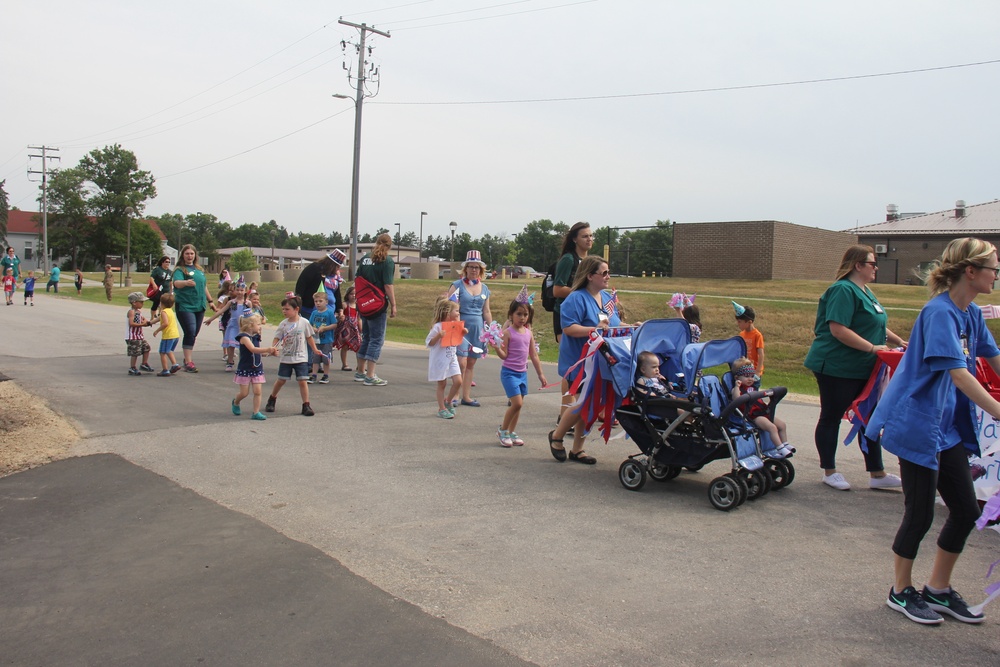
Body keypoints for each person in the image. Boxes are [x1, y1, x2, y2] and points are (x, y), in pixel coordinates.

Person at [866, 237, 1000, 626]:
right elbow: (958, 373)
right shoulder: (938, 313)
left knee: (964, 509)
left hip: (948, 430)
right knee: (920, 513)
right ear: (970, 272)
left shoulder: (971, 314)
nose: (997, 274)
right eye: (993, 267)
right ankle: (901, 591)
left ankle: (938, 589)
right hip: (918, 427)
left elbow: (992, 360)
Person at [804, 245, 907, 491]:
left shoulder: (866, 291)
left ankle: (877, 473)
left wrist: (899, 341)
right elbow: (838, 329)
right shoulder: (842, 290)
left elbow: (876, 322)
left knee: (870, 418)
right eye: (872, 264)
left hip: (865, 368)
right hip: (837, 366)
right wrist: (873, 348)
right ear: (858, 265)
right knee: (832, 416)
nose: (876, 268)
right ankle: (829, 471)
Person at [548, 256, 626, 465]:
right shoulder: (576, 299)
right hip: (579, 360)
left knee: (591, 403)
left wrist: (631, 325)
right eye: (604, 273)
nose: (608, 277)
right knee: (584, 402)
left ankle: (577, 449)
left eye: (609, 272)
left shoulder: (608, 299)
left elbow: (614, 323)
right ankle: (557, 436)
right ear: (590, 276)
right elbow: (568, 328)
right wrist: (594, 330)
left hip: (600, 360)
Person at [489, 291, 547, 446]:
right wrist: (496, 348)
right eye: (519, 314)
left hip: (523, 373)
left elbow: (533, 355)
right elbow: (504, 355)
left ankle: (511, 432)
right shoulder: (508, 333)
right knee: (517, 403)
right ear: (511, 315)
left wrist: (541, 374)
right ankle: (502, 430)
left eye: (525, 314)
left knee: (519, 405)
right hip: (509, 373)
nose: (522, 318)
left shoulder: (528, 333)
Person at [552, 222, 594, 428]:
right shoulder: (569, 259)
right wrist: (581, 291)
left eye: (591, 236)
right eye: (585, 236)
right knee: (571, 369)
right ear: (575, 239)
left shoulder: (589, 261)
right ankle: (564, 415)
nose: (589, 239)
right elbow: (557, 290)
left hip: (583, 316)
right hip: (565, 315)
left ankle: (571, 414)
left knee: (580, 368)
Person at [446, 250, 492, 407]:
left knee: (471, 362)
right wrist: (455, 324)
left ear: (481, 270)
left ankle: (466, 396)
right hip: (460, 328)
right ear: (465, 268)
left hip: (478, 328)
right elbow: (449, 307)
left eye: (477, 267)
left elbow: (486, 311)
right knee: (461, 362)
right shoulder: (457, 286)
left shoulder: (485, 288)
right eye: (471, 267)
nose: (474, 270)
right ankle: (455, 395)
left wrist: (490, 330)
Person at [265, 296, 322, 416]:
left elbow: (309, 337)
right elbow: (277, 337)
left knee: (302, 381)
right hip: (286, 358)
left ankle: (306, 405)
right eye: (283, 309)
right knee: (281, 380)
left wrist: (315, 349)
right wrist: (273, 348)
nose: (284, 311)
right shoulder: (283, 324)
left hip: (301, 358)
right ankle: (272, 399)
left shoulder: (304, 322)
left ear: (296, 309)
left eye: (287, 309)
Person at [354, 233, 396, 386]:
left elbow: (357, 278)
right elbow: (388, 285)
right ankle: (370, 374)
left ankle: (360, 371)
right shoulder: (387, 261)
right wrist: (393, 305)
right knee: (377, 339)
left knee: (366, 336)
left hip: (364, 303)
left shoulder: (365, 258)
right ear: (389, 246)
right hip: (377, 305)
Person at [731, 357, 792, 454]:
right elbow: (736, 399)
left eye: (752, 376)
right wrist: (737, 386)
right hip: (754, 416)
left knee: (782, 425)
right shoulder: (737, 389)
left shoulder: (752, 387)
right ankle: (779, 447)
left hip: (764, 411)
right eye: (746, 376)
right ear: (737, 378)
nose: (750, 379)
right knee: (772, 428)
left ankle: (785, 443)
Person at [171, 244, 215, 373]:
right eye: (187, 253)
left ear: (195, 255)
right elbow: (176, 283)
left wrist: (211, 301)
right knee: (190, 331)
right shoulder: (180, 270)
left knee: (194, 333)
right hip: (185, 305)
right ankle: (189, 362)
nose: (189, 256)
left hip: (199, 305)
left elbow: (204, 286)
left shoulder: (199, 270)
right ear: (183, 255)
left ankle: (187, 358)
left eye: (191, 254)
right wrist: (185, 282)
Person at [426, 297, 465, 419]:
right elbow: (429, 343)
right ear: (448, 312)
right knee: (442, 384)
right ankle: (441, 408)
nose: (458, 313)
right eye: (456, 311)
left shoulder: (455, 326)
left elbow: (457, 341)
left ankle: (448, 401)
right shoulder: (438, 327)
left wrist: (462, 333)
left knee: (458, 381)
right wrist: (438, 336)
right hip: (440, 360)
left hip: (451, 357)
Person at [232, 313, 276, 421]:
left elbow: (257, 353)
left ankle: (256, 412)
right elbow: (252, 349)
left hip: (256, 368)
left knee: (257, 391)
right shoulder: (244, 337)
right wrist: (267, 349)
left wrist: (269, 353)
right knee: (244, 393)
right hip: (245, 368)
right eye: (258, 324)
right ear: (251, 325)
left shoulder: (256, 337)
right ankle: (236, 402)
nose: (260, 326)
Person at [205, 280, 248, 372]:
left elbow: (251, 315)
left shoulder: (247, 303)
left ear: (245, 291)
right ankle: (230, 362)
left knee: (244, 345)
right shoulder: (231, 302)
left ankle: (243, 363)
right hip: (232, 325)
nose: (239, 292)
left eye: (242, 290)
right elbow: (221, 311)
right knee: (231, 344)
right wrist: (211, 319)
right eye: (238, 290)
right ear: (235, 290)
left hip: (243, 327)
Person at [295, 250, 346, 320]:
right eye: (337, 266)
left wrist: (340, 309)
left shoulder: (334, 275)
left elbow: (337, 293)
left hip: (329, 311)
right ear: (332, 264)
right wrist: (298, 301)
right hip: (310, 309)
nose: (338, 269)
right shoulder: (314, 268)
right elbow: (301, 284)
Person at [308, 291, 337, 384]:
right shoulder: (314, 313)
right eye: (316, 301)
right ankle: (314, 375)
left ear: (326, 302)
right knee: (315, 358)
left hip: (326, 340)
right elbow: (309, 325)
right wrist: (314, 329)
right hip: (316, 340)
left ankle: (326, 375)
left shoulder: (329, 313)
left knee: (326, 358)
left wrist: (325, 328)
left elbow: (334, 324)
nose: (318, 303)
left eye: (320, 301)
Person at [151, 293, 182, 376]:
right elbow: (158, 319)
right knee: (169, 351)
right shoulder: (170, 311)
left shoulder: (164, 312)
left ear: (161, 303)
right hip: (175, 335)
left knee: (163, 352)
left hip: (168, 336)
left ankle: (165, 370)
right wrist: (149, 323)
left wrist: (157, 330)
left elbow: (165, 323)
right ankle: (175, 365)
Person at [125, 292, 156, 376]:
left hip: (139, 336)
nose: (143, 304)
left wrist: (148, 322)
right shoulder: (131, 312)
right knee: (135, 352)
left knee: (146, 348)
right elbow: (131, 323)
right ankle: (132, 367)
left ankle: (144, 363)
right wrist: (143, 324)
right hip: (132, 336)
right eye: (141, 302)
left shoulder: (138, 312)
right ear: (134, 302)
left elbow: (144, 320)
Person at [733, 303, 764, 381]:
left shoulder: (757, 335)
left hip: (754, 372)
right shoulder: (741, 334)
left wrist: (758, 371)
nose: (738, 324)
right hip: (744, 372)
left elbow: (761, 355)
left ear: (749, 322)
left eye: (740, 322)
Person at [335, 285, 360, 371]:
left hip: (355, 329)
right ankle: (344, 364)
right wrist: (341, 314)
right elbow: (340, 312)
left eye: (355, 294)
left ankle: (360, 365)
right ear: (347, 295)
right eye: (351, 294)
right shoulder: (345, 304)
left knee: (359, 347)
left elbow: (359, 319)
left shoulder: (359, 306)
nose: (353, 295)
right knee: (345, 347)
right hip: (346, 329)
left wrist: (361, 328)